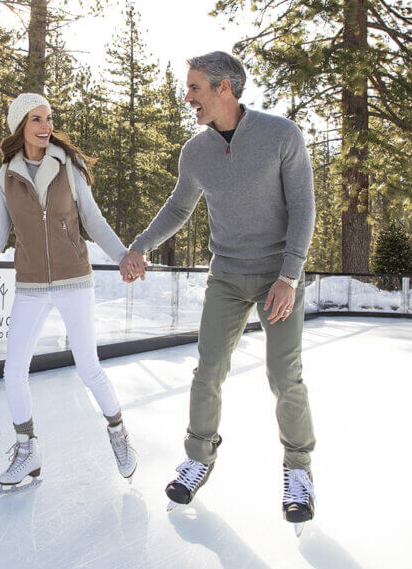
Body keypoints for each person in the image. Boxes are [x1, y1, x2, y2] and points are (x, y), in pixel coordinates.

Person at [121, 51, 317, 527]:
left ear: (223, 88)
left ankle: (299, 469)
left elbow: (303, 210)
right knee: (208, 369)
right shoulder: (196, 151)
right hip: (227, 274)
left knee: (283, 375)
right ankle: (199, 456)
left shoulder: (281, 136)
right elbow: (177, 208)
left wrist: (289, 276)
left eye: (194, 88)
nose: (188, 97)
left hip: (278, 275)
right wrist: (140, 246)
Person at [0, 93, 139, 491]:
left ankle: (118, 432)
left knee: (88, 366)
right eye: (37, 120)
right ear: (20, 126)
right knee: (13, 371)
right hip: (30, 285)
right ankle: (27, 449)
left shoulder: (68, 165)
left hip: (75, 279)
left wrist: (125, 255)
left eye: (49, 118)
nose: (46, 126)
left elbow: (93, 219)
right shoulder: (6, 174)